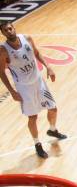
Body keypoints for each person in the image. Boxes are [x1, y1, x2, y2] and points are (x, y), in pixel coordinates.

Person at [0, 21, 67, 159]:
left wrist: (48, 67)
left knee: (53, 108)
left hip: (39, 81)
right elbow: (1, 72)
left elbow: (36, 53)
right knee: (33, 117)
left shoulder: (27, 38)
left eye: (10, 28)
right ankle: (37, 144)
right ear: (3, 33)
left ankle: (52, 130)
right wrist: (12, 91)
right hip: (24, 88)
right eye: (6, 30)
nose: (9, 31)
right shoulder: (3, 50)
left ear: (14, 28)